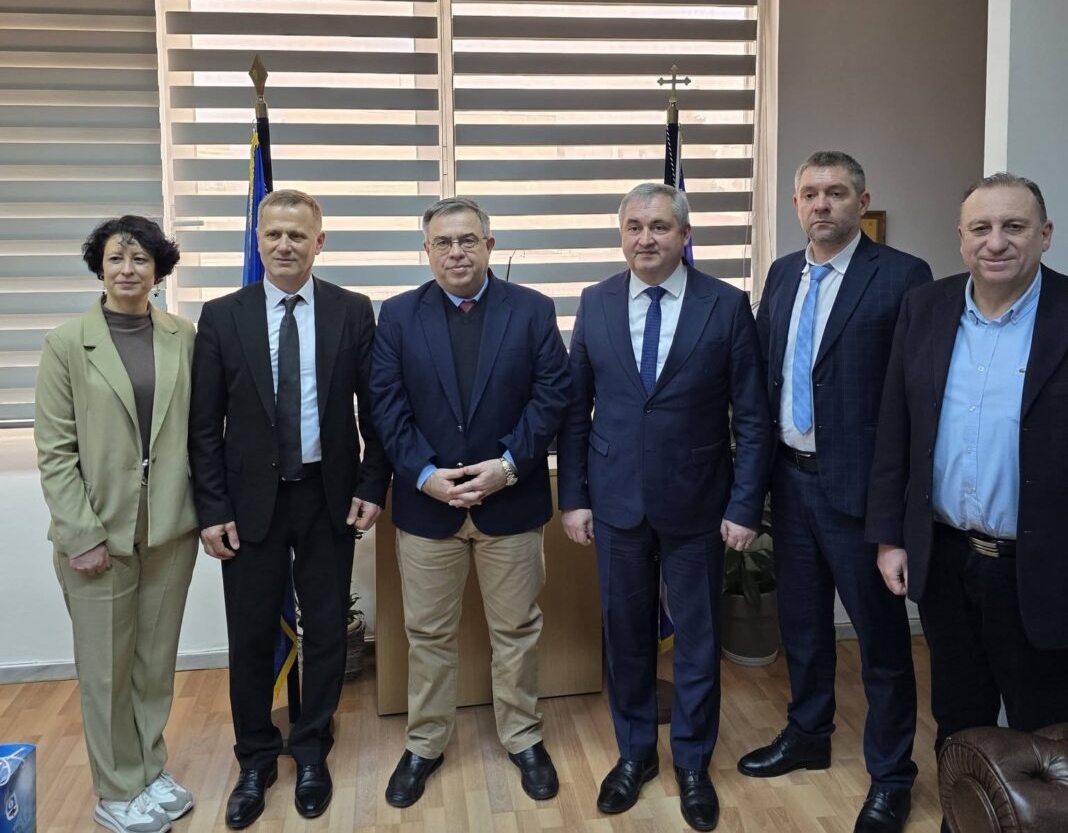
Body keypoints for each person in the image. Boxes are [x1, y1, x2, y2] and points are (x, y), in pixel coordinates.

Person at [557, 182, 773, 832]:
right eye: (634, 227)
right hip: (615, 504)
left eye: (659, 227)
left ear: (684, 235)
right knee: (625, 637)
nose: (645, 238)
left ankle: (693, 764)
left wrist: (745, 505)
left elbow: (752, 416)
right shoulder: (596, 302)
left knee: (698, 641)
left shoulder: (724, 305)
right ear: (621, 234)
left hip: (699, 506)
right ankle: (634, 756)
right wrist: (574, 498)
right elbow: (575, 411)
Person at [188, 189, 391, 829]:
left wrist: (372, 485)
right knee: (251, 633)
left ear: (318, 242)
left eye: (297, 235)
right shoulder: (222, 316)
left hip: (328, 495)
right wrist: (212, 508)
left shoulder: (352, 311)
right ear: (258, 239)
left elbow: (375, 412)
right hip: (250, 504)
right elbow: (203, 426)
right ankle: (254, 758)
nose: (284, 245)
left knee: (326, 628)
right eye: (273, 234)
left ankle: (310, 749)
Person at [743, 151, 932, 833]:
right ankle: (809, 732)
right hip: (790, 484)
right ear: (796, 203)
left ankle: (891, 775)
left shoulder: (902, 276)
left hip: (860, 493)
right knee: (802, 626)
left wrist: (895, 510)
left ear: (862, 201)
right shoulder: (782, 273)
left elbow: (913, 398)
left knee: (880, 642)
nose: (821, 204)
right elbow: (763, 374)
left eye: (836, 193)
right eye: (810, 194)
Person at [370, 197, 570, 809]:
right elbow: (385, 406)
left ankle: (523, 736)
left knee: (516, 630)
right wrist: (424, 474)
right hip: (428, 509)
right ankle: (425, 743)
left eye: (467, 240)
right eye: (443, 242)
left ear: (488, 245)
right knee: (428, 634)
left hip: (510, 502)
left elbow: (552, 396)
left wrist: (507, 467)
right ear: (426, 251)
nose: (455, 252)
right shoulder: (397, 315)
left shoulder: (532, 309)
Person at [867, 173, 1068, 763]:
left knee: (1046, 733)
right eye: (981, 228)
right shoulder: (925, 307)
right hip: (946, 559)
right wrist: (891, 538)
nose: (995, 242)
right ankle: (965, 808)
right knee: (958, 718)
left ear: (1045, 234)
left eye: (1014, 227)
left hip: (1042, 567)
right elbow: (896, 429)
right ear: (961, 238)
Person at [35, 216, 198, 833]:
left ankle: (149, 771)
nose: (128, 270)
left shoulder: (183, 336)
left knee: (154, 664)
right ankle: (116, 788)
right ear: (99, 268)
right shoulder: (66, 344)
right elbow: (55, 451)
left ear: (159, 270)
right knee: (106, 671)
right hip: (97, 532)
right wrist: (81, 535)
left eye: (140, 259)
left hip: (169, 529)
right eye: (115, 259)